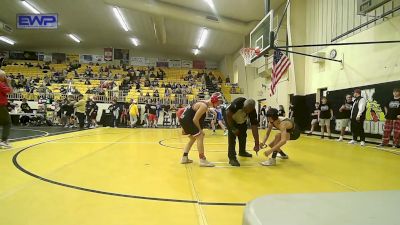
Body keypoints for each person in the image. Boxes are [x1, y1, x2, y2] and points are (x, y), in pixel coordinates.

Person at [179, 93, 224, 167]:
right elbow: (195, 119)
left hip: (184, 119)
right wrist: (200, 130)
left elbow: (189, 114)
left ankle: (184, 157)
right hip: (188, 120)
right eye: (218, 102)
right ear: (214, 100)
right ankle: (202, 160)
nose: (218, 104)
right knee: (200, 136)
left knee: (193, 139)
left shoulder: (203, 103)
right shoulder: (204, 106)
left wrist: (184, 126)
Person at [223, 97, 260, 167]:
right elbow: (228, 114)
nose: (245, 111)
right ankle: (232, 158)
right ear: (243, 105)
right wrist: (233, 128)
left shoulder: (253, 112)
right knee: (232, 137)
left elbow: (254, 127)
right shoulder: (237, 103)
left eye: (247, 111)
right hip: (230, 118)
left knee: (243, 135)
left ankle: (242, 151)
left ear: (251, 109)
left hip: (241, 120)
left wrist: (257, 144)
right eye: (244, 109)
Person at [0, 70, 13, 148]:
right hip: (1, 106)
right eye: (4, 76)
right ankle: (4, 141)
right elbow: (11, 91)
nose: (5, 77)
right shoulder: (1, 84)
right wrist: (8, 83)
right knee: (7, 123)